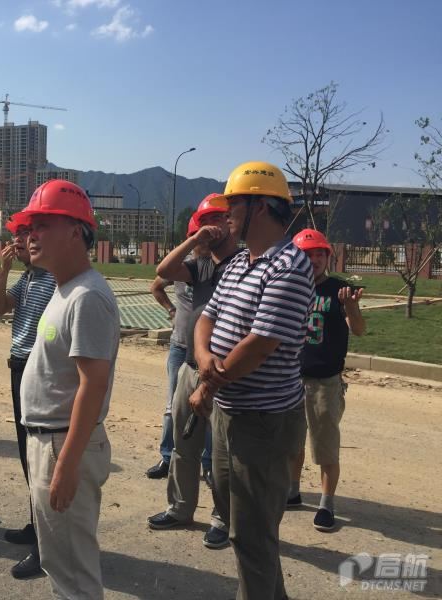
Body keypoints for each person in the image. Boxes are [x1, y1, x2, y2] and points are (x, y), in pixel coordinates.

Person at [189, 162, 314, 600]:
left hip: (263, 422)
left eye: (234, 206)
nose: (226, 215)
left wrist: (209, 381)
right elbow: (206, 317)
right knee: (243, 528)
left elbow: (260, 344)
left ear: (260, 206)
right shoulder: (240, 262)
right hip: (230, 412)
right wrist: (204, 359)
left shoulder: (290, 265)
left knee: (253, 535)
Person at [17, 179, 120, 599]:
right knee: (60, 564)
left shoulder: (87, 297)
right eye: (30, 226)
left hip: (63, 443)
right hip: (50, 439)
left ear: (76, 232)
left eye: (42, 224)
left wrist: (66, 464)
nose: (31, 234)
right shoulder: (65, 289)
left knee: (74, 575)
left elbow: (93, 385)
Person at [147, 195, 241, 551]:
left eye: (218, 219)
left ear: (231, 222)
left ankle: (222, 519)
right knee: (183, 445)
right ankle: (180, 508)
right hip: (190, 364)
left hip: (224, 371)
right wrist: (193, 240)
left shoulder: (243, 265)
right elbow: (164, 270)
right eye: (206, 221)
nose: (212, 227)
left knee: (221, 454)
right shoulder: (201, 266)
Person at [0, 215, 57, 579]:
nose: (19, 241)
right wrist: (3, 270)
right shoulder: (27, 278)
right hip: (18, 366)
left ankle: (47, 546)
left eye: (25, 234)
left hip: (37, 369)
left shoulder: (54, 279)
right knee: (26, 454)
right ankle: (37, 525)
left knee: (41, 458)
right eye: (16, 235)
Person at [288, 228, 365, 531]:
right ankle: (292, 491)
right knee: (292, 441)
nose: (314, 259)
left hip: (325, 382)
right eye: (307, 255)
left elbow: (358, 330)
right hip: (291, 378)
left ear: (327, 257)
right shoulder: (289, 287)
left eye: (319, 253)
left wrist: (352, 307)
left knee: (325, 446)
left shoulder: (339, 290)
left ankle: (326, 504)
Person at [145, 216, 197, 479]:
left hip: (207, 350)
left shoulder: (219, 267)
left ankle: (207, 462)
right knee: (172, 405)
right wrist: (171, 310)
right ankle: (167, 456)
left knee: (207, 408)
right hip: (180, 345)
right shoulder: (182, 267)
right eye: (196, 235)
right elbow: (156, 286)